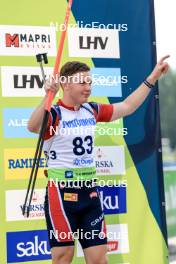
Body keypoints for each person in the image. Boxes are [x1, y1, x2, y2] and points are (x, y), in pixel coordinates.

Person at [28, 55, 169, 264]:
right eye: (82, 82)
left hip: (89, 193)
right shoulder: (55, 114)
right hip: (61, 195)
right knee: (62, 257)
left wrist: (153, 77)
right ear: (65, 85)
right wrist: (48, 95)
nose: (88, 87)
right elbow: (32, 126)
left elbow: (127, 107)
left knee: (98, 259)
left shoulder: (90, 110)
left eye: (90, 82)